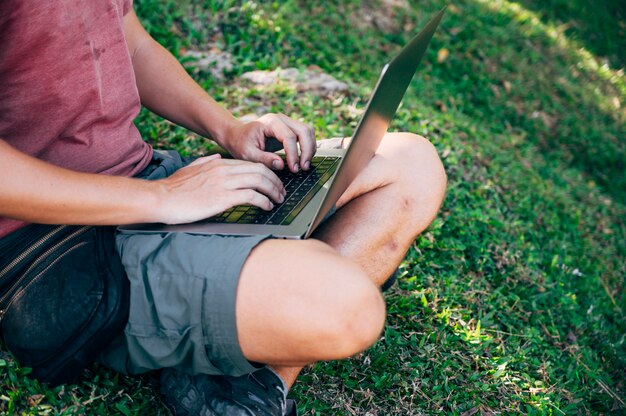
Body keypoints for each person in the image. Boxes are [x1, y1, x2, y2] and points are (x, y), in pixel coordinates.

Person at [0, 1, 446, 415]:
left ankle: (251, 385)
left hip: (145, 183)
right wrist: (163, 198)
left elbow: (129, 40)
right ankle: (235, 336)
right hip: (56, 243)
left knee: (411, 164)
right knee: (349, 306)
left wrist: (229, 130)